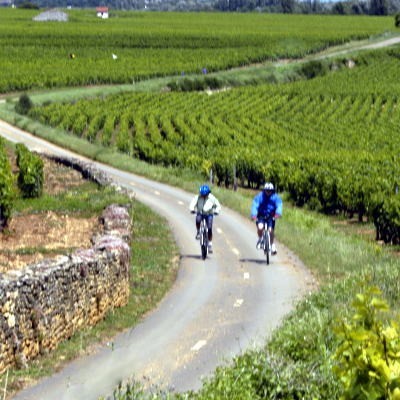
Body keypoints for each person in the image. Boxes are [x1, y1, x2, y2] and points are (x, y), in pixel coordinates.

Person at [250, 182, 282, 255]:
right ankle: (260, 239)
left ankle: (272, 245)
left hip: (271, 216)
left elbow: (279, 205)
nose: (268, 192)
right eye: (267, 190)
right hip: (261, 215)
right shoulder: (259, 197)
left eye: (270, 191)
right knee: (260, 227)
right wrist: (254, 215)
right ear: (264, 190)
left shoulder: (276, 197)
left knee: (271, 230)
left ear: (272, 191)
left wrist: (278, 214)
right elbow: (255, 205)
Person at [189, 184, 221, 253]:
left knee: (209, 228)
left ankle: (209, 244)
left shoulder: (212, 198)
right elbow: (192, 203)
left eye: (205, 194)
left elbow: (218, 205)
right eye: (202, 194)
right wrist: (192, 209)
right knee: (198, 220)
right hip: (200, 212)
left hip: (209, 214)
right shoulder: (197, 197)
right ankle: (198, 232)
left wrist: (216, 211)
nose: (203, 196)